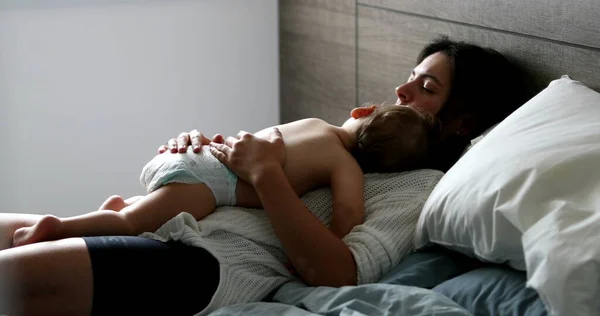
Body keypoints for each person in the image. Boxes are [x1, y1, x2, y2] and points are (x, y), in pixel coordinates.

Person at [0, 35, 527, 316]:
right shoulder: (351, 142)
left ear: (462, 121)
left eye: (427, 88)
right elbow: (257, 155)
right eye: (409, 79)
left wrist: (265, 175)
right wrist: (204, 151)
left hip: (207, 263)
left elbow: (337, 271)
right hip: (183, 218)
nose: (401, 93)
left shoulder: (421, 188)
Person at [11, 104, 434, 247]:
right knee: (129, 226)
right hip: (210, 184)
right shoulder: (346, 166)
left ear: (359, 113)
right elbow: (345, 218)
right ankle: (59, 227)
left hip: (195, 158)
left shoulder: (314, 122)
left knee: (136, 212)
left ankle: (119, 205)